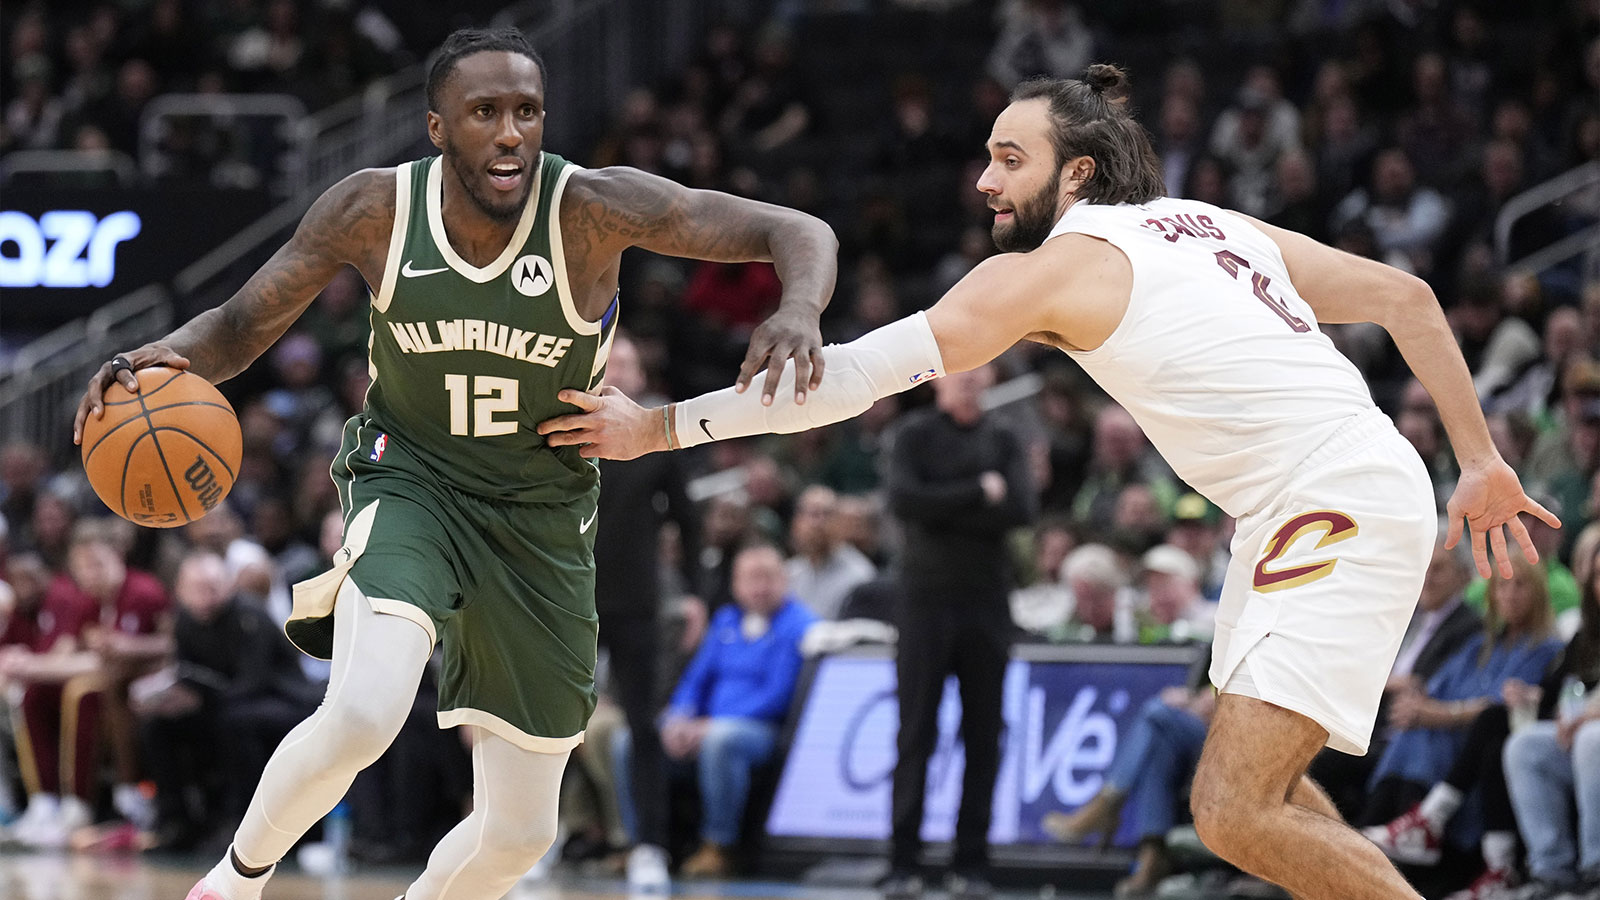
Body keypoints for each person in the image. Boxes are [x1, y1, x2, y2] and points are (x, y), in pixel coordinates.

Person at [539, 65, 1560, 900]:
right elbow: (1405, 295)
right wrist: (1473, 457)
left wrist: (660, 427)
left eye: (1007, 158)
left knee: (1231, 811)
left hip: (1327, 496)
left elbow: (841, 379)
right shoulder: (1206, 223)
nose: (984, 179)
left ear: (1073, 176)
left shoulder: (1052, 269)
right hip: (1312, 497)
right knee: (1268, 788)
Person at [73, 27, 837, 900]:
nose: (511, 133)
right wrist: (153, 357)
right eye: (485, 113)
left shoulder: (590, 209)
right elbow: (243, 325)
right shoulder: (374, 209)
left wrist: (801, 309)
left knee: (518, 835)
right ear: (437, 127)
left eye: (527, 112)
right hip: (413, 481)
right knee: (363, 711)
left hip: (541, 513)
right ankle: (235, 879)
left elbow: (796, 228)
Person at [881, 364, 1036, 900]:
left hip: (987, 604)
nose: (969, 379)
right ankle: (903, 862)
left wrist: (942, 505)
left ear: (993, 378)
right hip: (924, 603)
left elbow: (1021, 509)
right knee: (915, 731)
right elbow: (903, 500)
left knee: (983, 735)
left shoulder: (1005, 437)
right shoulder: (913, 434)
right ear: (936, 381)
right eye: (959, 372)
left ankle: (972, 863)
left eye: (979, 371)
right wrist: (977, 491)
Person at [616, 543, 816, 877]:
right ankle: (642, 843)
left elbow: (778, 695)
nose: (759, 587)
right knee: (631, 740)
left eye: (767, 577)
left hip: (762, 730)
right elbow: (696, 679)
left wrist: (710, 725)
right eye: (750, 579)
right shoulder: (725, 620)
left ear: (785, 580)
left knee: (721, 740)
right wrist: (679, 717)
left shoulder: (799, 624)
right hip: (703, 726)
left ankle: (718, 845)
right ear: (736, 585)